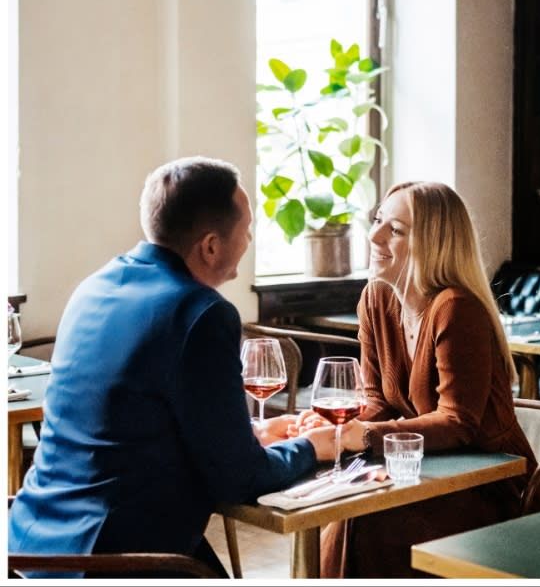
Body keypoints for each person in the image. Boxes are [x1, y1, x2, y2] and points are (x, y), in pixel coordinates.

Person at [8, 157, 335, 577]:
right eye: (247, 229)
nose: (251, 237)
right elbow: (240, 480)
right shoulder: (202, 313)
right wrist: (315, 447)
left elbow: (127, 426)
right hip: (116, 559)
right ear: (211, 245)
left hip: (33, 543)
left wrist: (251, 434)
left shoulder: (93, 286)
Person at [293, 181, 540, 578]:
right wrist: (339, 425)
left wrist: (363, 436)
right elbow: (376, 399)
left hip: (490, 485)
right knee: (342, 509)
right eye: (377, 221)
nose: (373, 235)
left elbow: (457, 423)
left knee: (365, 520)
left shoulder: (456, 309)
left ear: (433, 243)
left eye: (394, 230)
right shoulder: (376, 299)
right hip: (425, 471)